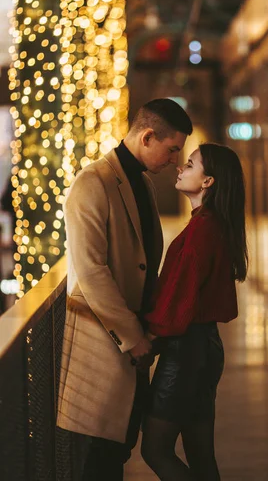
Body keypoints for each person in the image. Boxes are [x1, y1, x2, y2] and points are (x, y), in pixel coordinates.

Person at [56, 98, 193, 481]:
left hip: (132, 343)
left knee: (119, 448)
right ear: (147, 136)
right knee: (98, 456)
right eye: (171, 149)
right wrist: (133, 337)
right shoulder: (92, 182)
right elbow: (91, 270)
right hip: (104, 343)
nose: (173, 159)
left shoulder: (142, 183)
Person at [141, 143, 248, 480]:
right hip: (203, 348)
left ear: (207, 182)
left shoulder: (203, 229)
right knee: (201, 456)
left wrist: (147, 337)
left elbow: (179, 299)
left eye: (189, 164)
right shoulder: (210, 224)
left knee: (155, 450)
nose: (180, 169)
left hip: (185, 354)